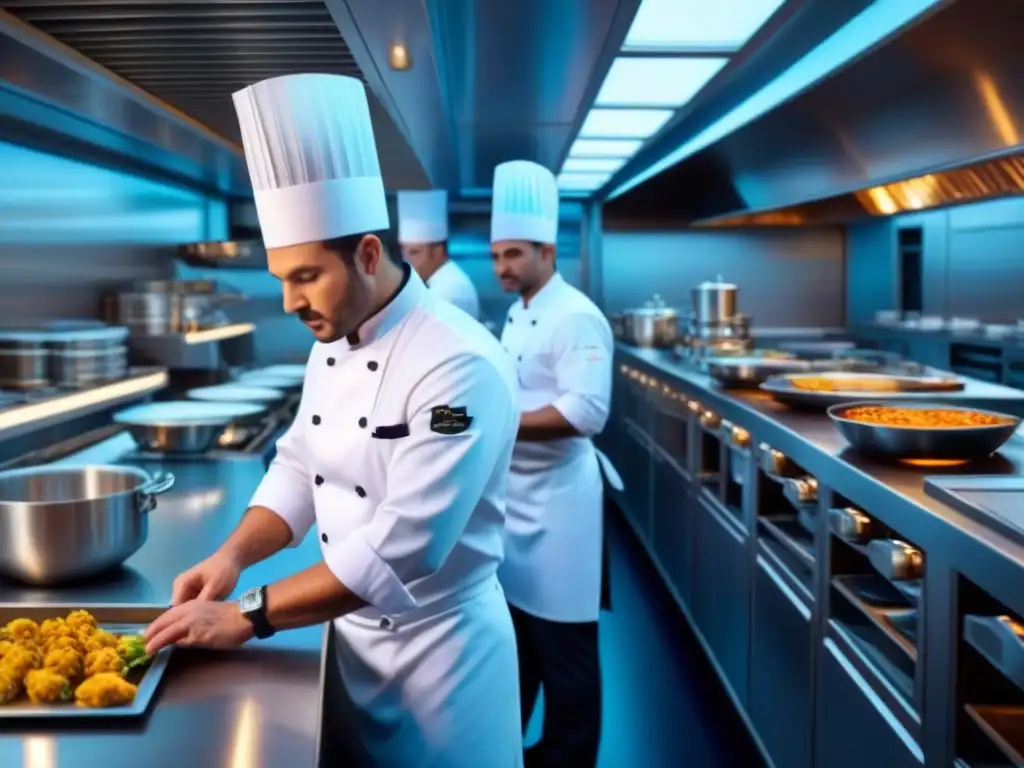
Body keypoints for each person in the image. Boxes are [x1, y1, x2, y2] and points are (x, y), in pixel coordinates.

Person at [142, 73, 524, 768]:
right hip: (349, 640)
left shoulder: (458, 364)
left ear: (369, 254)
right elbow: (298, 463)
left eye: (306, 276)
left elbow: (404, 546)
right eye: (281, 277)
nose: (289, 302)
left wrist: (247, 613)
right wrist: (230, 557)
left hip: (442, 666)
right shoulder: (335, 334)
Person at [490, 160, 618, 767]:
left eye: (513, 255)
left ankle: (571, 758)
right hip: (517, 505)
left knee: (566, 647)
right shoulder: (519, 312)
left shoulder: (576, 316)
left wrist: (495, 426)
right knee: (523, 641)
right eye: (496, 256)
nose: (501, 268)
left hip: (562, 510)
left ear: (546, 248)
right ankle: (518, 753)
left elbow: (587, 412)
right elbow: (498, 397)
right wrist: (445, 422)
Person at [398, 189, 481, 319]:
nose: (406, 260)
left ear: (437, 252)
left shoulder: (449, 291)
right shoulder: (440, 283)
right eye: (403, 252)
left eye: (414, 252)